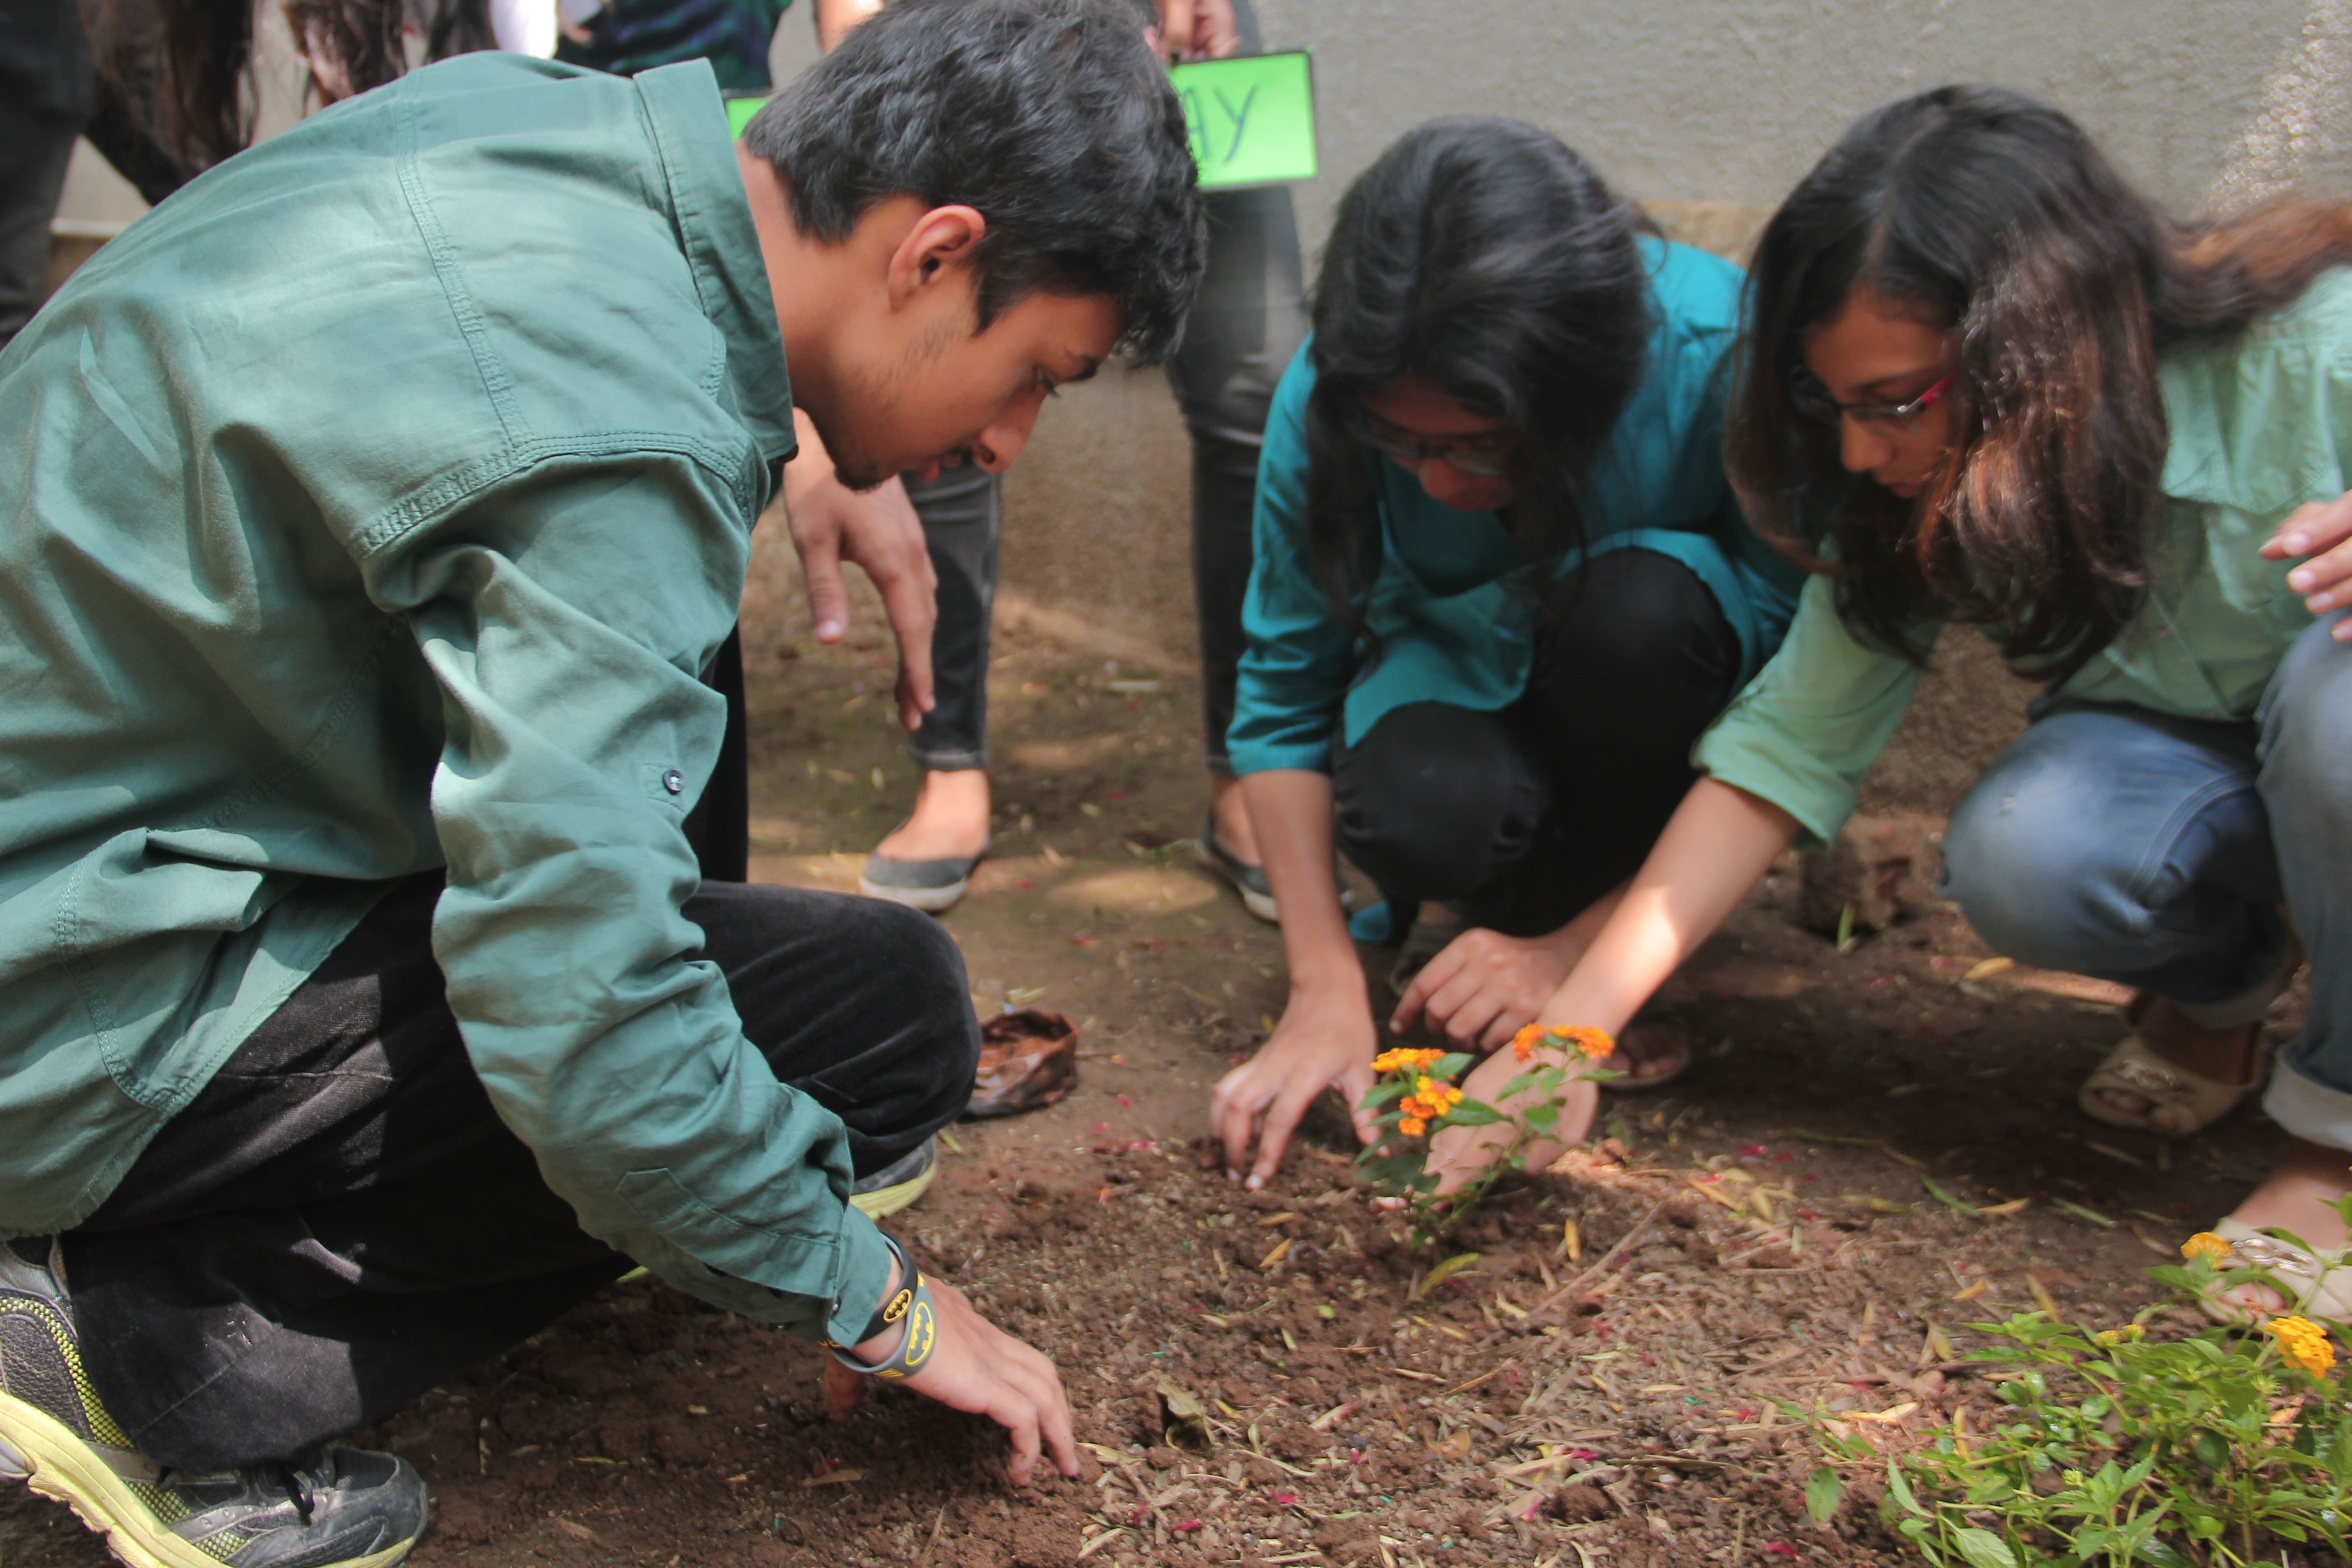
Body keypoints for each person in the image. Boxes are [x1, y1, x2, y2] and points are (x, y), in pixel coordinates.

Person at [0, 6, 1204, 1567]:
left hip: (93, 827)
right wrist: (877, 1297)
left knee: (784, 981)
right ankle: (125, 1352)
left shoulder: (537, 131)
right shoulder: (629, 426)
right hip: (69, 987)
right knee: (866, 1030)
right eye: (1035, 373)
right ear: (934, 254)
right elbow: (587, 1013)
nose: (1009, 440)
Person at [1407, 85, 2352, 1319]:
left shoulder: (2320, 354)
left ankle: (2334, 1146)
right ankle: (2220, 996)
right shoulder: (1922, 486)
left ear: (2044, 346)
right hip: (2198, 771)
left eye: (1898, 403)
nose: (1861, 452)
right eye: (1836, 406)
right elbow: (1788, 748)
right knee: (2026, 854)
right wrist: (1567, 1039)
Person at [1207, 118, 1806, 1189]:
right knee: (1418, 803)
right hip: (1462, 697)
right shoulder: (1331, 392)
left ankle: (1601, 933)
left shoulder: (1722, 354)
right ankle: (1482, 918)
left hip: (1651, 710)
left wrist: (1578, 972)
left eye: (1479, 445)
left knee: (1640, 616)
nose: (1439, 483)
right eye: (1404, 444)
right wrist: (1323, 987)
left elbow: (1797, 717)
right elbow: (1284, 700)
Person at [802, 0, 1307, 919]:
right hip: (967, 27)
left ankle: (1251, 772)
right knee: (943, 387)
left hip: (1178, 44)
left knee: (1257, 395)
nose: (1009, 441)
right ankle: (949, 764)